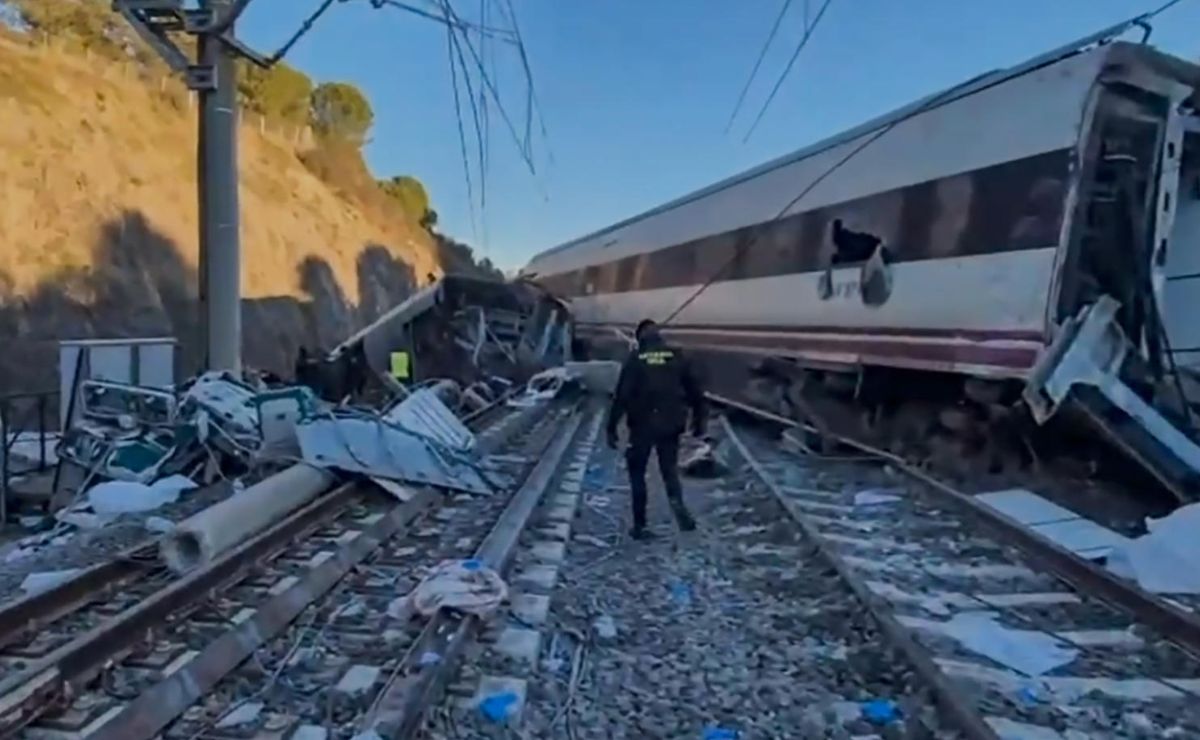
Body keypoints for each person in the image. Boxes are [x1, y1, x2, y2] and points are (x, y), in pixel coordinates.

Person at [607, 319, 706, 539]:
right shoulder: (677, 356)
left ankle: (640, 525)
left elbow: (621, 396)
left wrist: (611, 428)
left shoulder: (637, 358)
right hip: (671, 424)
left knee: (637, 473)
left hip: (642, 425)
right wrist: (700, 422)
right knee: (669, 471)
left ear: (640, 337)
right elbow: (696, 393)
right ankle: (678, 506)